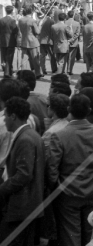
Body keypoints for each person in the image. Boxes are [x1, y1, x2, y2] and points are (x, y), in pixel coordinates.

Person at [47, 94, 93, 246]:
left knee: (70, 235)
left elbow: (52, 169)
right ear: (89, 110)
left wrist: (57, 187)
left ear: (69, 109)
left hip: (68, 193)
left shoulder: (59, 135)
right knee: (90, 234)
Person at [0, 97, 45, 245]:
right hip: (29, 205)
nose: (4, 119)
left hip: (21, 206)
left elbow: (23, 175)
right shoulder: (30, 135)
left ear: (13, 116)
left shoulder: (25, 139)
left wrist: (2, 189)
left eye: (5, 115)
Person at [42, 93, 70, 158]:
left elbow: (45, 155)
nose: (48, 107)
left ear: (54, 109)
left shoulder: (50, 132)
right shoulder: (68, 124)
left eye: (48, 105)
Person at [18, 6, 41, 77]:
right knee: (35, 59)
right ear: (31, 12)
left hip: (24, 41)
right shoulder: (32, 20)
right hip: (32, 41)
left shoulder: (20, 20)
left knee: (24, 59)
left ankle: (22, 74)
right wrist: (40, 25)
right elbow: (37, 32)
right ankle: (37, 73)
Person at [0, 5, 18, 76]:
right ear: (12, 11)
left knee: (4, 57)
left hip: (2, 40)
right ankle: (7, 72)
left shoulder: (1, 20)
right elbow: (15, 31)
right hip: (11, 41)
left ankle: (8, 70)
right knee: (9, 58)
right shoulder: (12, 20)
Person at [66, 10, 81, 75]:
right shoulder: (77, 23)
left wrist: (68, 40)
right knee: (72, 57)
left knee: (66, 57)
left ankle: (67, 69)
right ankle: (70, 70)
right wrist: (71, 40)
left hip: (66, 42)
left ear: (68, 15)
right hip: (73, 43)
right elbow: (77, 34)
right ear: (73, 15)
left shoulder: (64, 22)